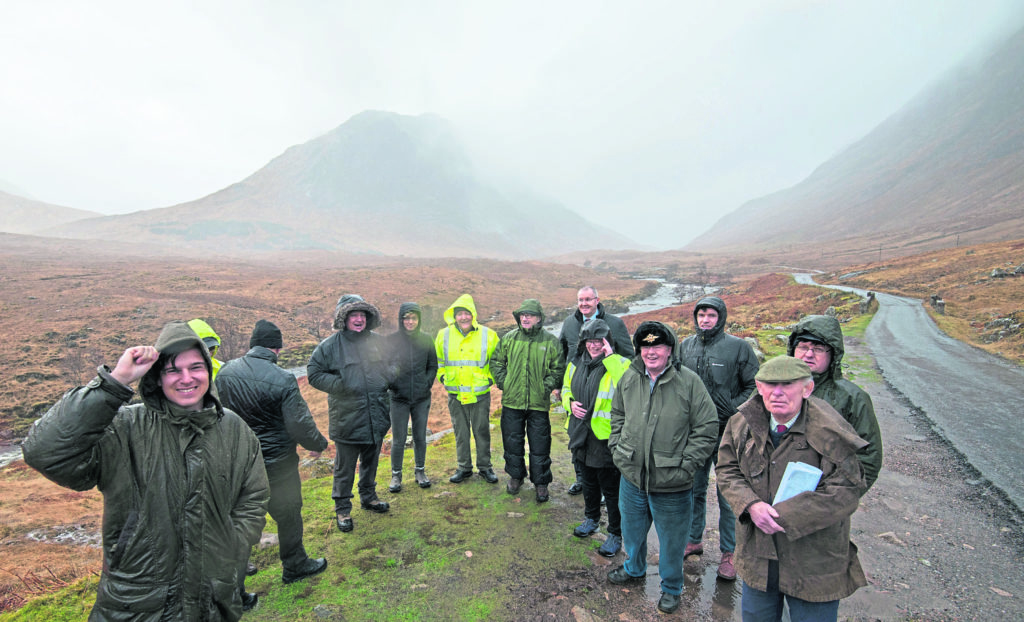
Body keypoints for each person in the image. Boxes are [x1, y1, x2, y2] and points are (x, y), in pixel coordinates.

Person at [23, 321, 269, 619]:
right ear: (156, 377)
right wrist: (115, 382)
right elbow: (44, 451)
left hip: (212, 600)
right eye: (172, 370)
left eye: (196, 367)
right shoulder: (123, 428)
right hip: (135, 605)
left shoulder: (233, 428)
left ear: (208, 369)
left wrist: (233, 547)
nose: (186, 378)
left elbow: (253, 496)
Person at [717, 356, 868, 622]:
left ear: (807, 389)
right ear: (759, 387)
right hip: (757, 557)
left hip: (813, 563)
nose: (777, 392)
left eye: (787, 384)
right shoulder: (741, 423)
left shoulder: (831, 429)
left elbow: (846, 490)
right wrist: (750, 505)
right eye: (770, 384)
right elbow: (727, 470)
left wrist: (782, 516)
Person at [606, 321, 718, 614]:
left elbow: (707, 427)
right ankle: (634, 568)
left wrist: (687, 466)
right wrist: (618, 451)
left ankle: (671, 587)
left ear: (670, 349)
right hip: (631, 476)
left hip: (673, 482)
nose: (651, 352)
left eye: (658, 346)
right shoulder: (629, 378)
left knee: (672, 541)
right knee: (631, 531)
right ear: (639, 350)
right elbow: (616, 414)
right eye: (645, 346)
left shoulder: (689, 381)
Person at [216, 319, 329, 588]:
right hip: (278, 464)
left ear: (253, 344)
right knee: (288, 514)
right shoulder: (283, 379)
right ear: (276, 348)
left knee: (240, 520)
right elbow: (299, 424)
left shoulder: (225, 373)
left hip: (237, 462)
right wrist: (319, 444)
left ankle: (235, 585)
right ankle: (295, 565)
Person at [679, 296, 759, 580]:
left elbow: (754, 384)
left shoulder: (738, 347)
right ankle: (693, 539)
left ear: (720, 317)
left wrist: (736, 408)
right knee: (694, 488)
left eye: (711, 315)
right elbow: (676, 381)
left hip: (729, 432)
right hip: (696, 432)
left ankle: (730, 552)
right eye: (701, 315)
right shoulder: (685, 346)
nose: (705, 320)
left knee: (728, 494)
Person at [307, 294, 392, 534]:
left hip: (376, 416)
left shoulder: (378, 342)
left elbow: (395, 363)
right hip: (347, 419)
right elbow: (313, 374)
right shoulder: (329, 346)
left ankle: (369, 497)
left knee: (371, 461)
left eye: (362, 315)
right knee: (344, 469)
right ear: (343, 319)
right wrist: (341, 385)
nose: (358, 319)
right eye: (353, 315)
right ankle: (343, 509)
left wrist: (387, 377)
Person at [787, 315, 883, 491]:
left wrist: (836, 502)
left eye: (818, 348)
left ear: (833, 353)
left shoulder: (853, 398)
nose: (808, 354)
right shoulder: (772, 388)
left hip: (824, 506)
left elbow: (868, 460)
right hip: (766, 506)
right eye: (803, 347)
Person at [561, 319, 630, 557]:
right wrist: (569, 404)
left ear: (607, 341)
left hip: (605, 437)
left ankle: (616, 533)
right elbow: (565, 389)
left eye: (598, 341)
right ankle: (591, 519)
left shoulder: (620, 363)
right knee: (588, 481)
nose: (593, 346)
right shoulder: (576, 363)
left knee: (611, 489)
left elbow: (628, 386)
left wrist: (610, 357)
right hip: (580, 432)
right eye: (589, 341)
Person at [558, 286, 634, 495]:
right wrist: (561, 389)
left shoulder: (615, 323)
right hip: (578, 389)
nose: (584, 304)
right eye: (580, 300)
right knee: (577, 437)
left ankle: (605, 488)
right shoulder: (569, 323)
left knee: (602, 445)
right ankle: (582, 479)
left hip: (606, 393)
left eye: (588, 300)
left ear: (597, 300)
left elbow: (629, 356)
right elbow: (562, 355)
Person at [491, 299, 565, 502]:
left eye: (530, 314)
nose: (525, 317)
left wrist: (545, 386)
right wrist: (505, 382)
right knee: (512, 442)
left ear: (539, 318)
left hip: (538, 403)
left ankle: (541, 482)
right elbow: (496, 362)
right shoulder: (508, 339)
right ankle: (516, 477)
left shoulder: (550, 341)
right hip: (512, 402)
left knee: (540, 444)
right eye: (522, 314)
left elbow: (558, 369)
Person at [435, 294, 500, 484]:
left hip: (479, 394)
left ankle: (485, 467)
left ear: (473, 314)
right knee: (460, 433)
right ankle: (463, 468)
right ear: (454, 316)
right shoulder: (443, 335)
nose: (463, 317)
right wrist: (443, 377)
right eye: (459, 314)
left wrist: (490, 379)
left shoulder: (489, 335)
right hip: (456, 394)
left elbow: (498, 362)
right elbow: (438, 362)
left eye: (467, 313)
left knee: (482, 431)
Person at [386, 302, 438, 492]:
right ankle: (396, 476)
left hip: (421, 398)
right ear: (401, 320)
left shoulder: (426, 339)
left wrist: (427, 383)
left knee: (420, 437)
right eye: (406, 318)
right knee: (398, 439)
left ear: (419, 320)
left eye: (413, 318)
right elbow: (384, 366)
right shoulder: (391, 340)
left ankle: (420, 471)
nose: (410, 321)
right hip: (398, 398)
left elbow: (433, 365)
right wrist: (392, 384)